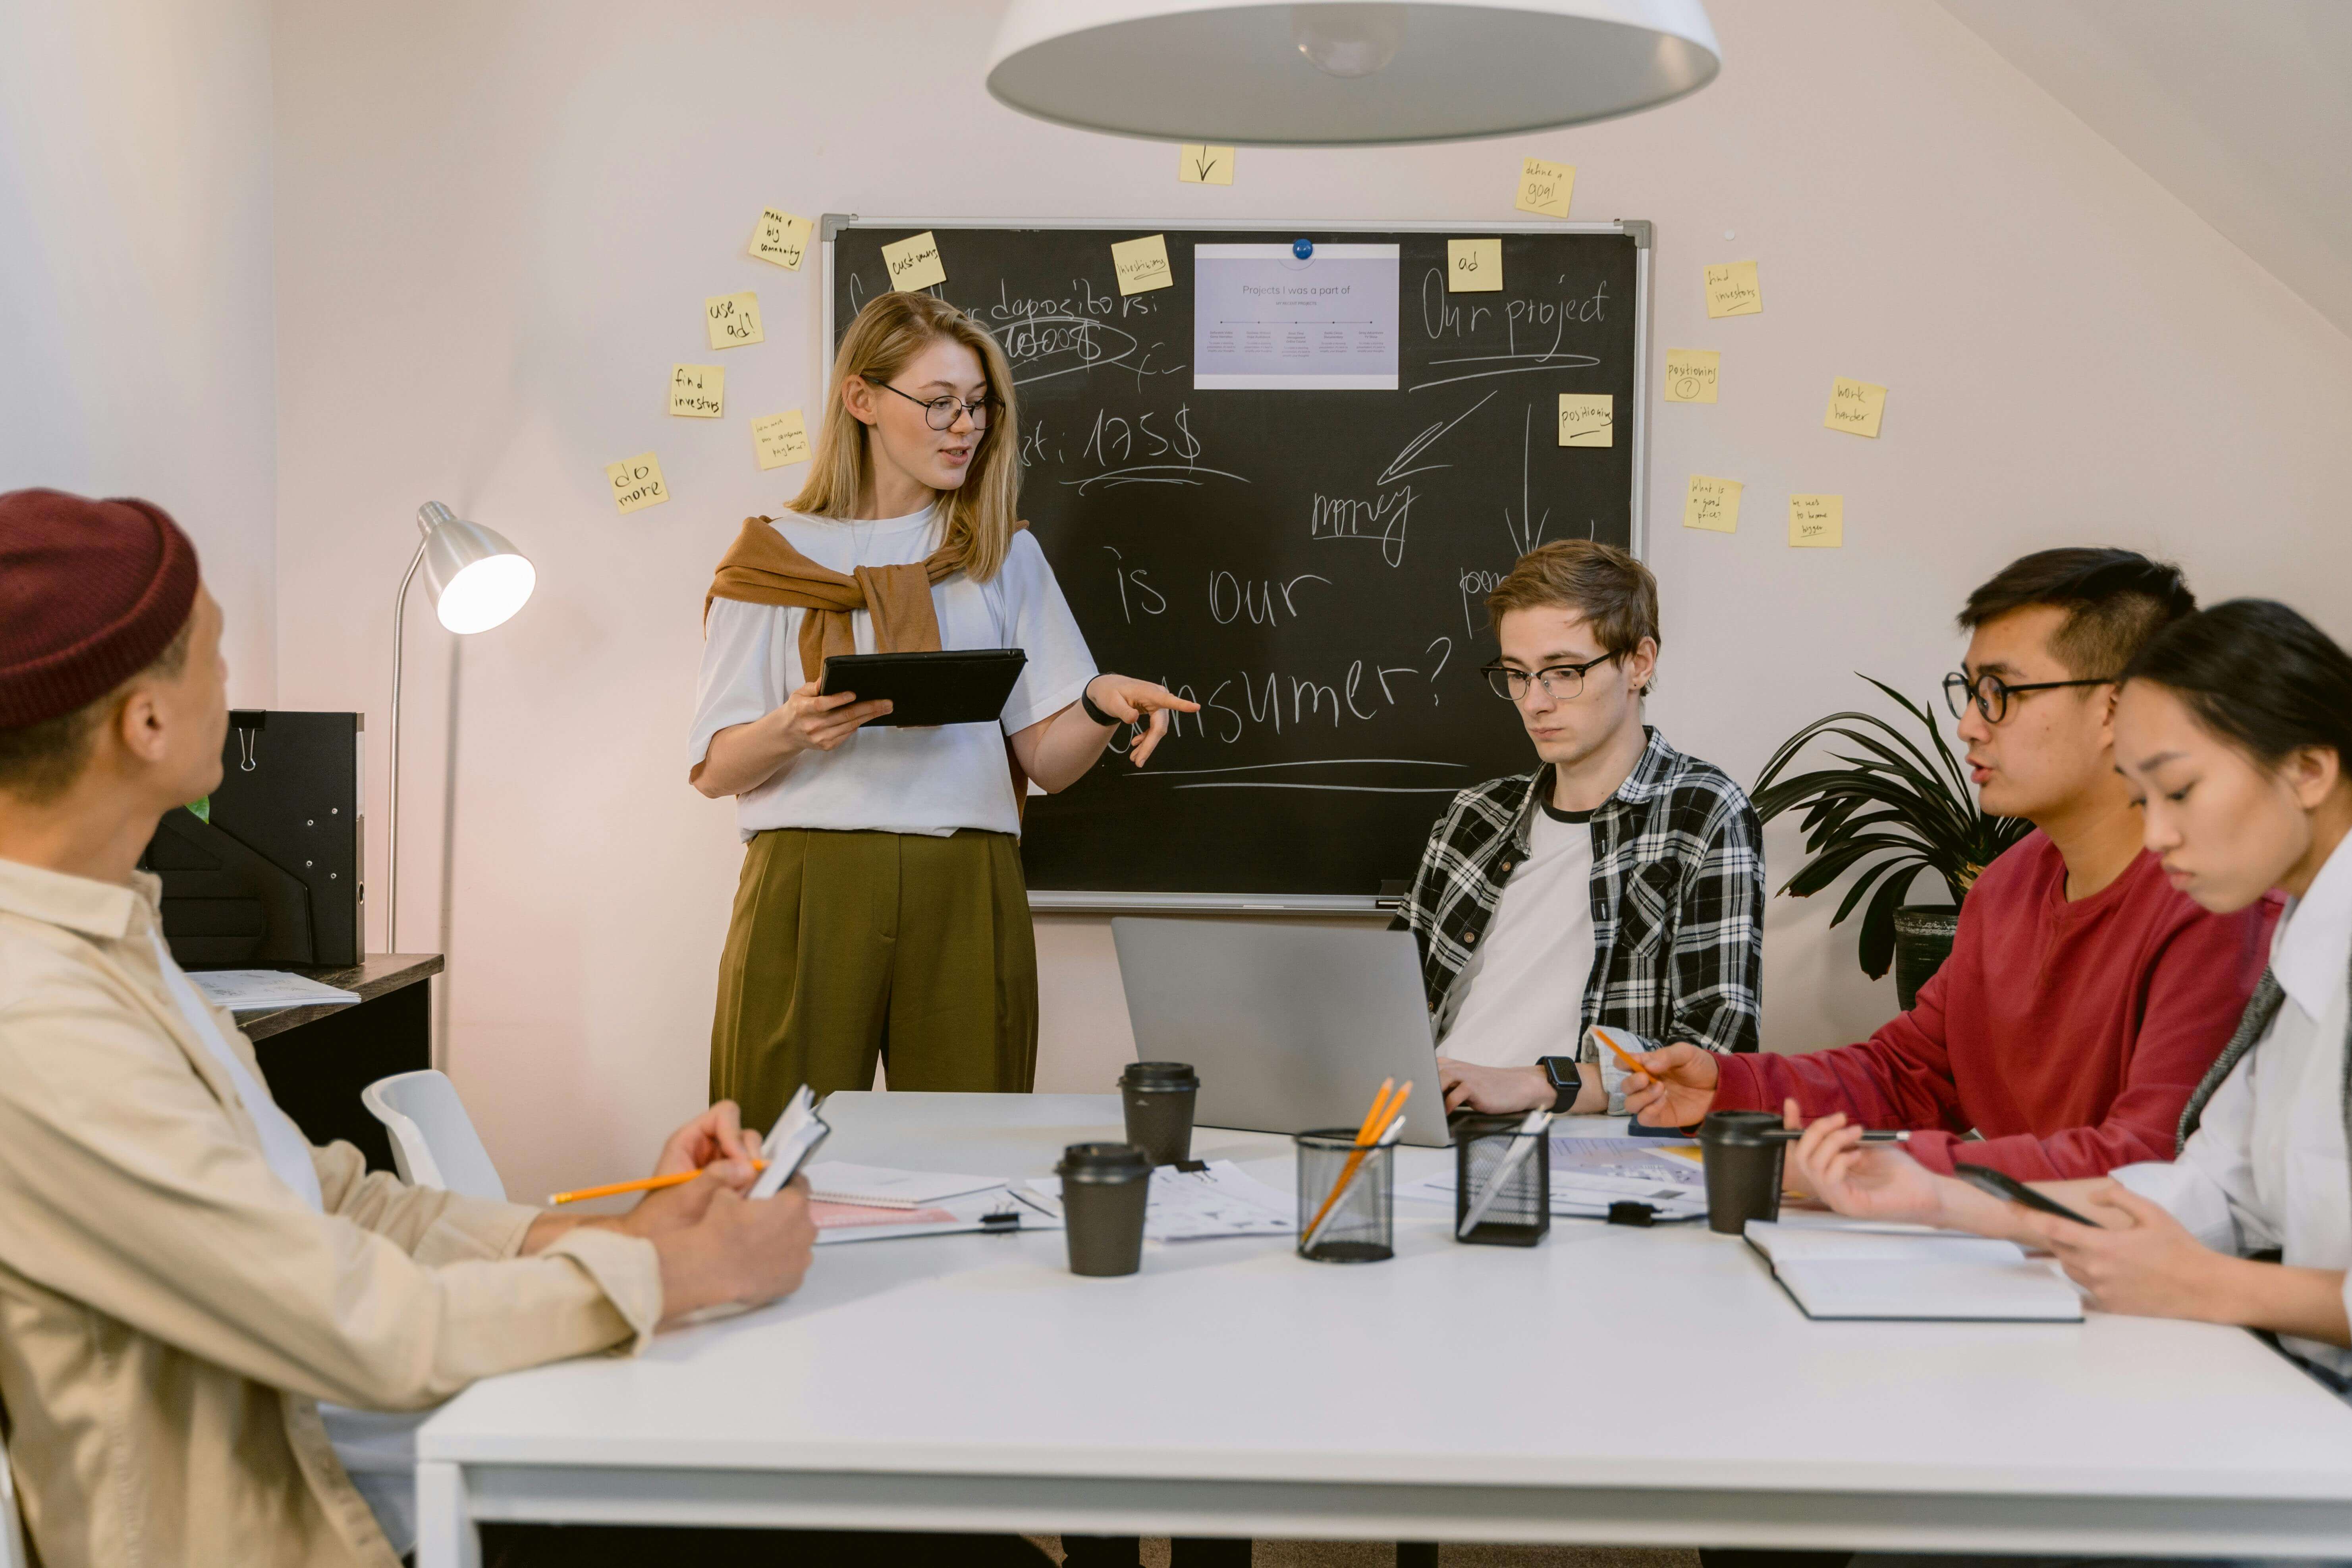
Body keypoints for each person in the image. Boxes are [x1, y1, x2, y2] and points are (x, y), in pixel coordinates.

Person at [0, 488, 1048, 1568]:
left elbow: (337, 1203)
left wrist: (630, 1236)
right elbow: (369, 1326)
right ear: (146, 722)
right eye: (215, 654)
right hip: (355, 1525)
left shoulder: (119, 945)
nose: (234, 682)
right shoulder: (41, 1023)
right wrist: (688, 1274)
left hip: (422, 1463)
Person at [1792, 599, 2352, 1396]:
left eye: (2180, 792)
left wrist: (2208, 1286)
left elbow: (2196, 1231)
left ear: (2307, 769)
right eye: (2141, 797)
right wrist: (1940, 1198)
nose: (2154, 835)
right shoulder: (2302, 940)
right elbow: (2210, 1188)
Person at [691, 291, 1196, 1129]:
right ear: (862, 402)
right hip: (808, 882)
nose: (964, 427)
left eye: (977, 406)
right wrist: (791, 729)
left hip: (966, 882)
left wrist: (1100, 704)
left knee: (972, 1145)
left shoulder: (999, 553)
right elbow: (713, 768)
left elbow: (1048, 763)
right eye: (938, 404)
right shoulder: (772, 557)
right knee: (775, 1150)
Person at [1626, 549, 2272, 1178]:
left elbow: (2146, 1161)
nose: (1967, 724)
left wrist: (1891, 1170)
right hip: (2016, 1258)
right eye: (1969, 689)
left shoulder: (2215, 900)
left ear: (2118, 707)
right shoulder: (2008, 884)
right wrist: (1727, 1085)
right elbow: (1906, 1073)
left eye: (1999, 692)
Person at [1397, 540, 1764, 1118]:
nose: (1535, 702)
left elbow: (1716, 1055)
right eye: (1517, 674)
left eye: (1564, 672)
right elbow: (1389, 1009)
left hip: (1570, 1142)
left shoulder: (1702, 812)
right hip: (1425, 1120)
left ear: (1639, 663)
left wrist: (1541, 1083)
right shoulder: (1474, 816)